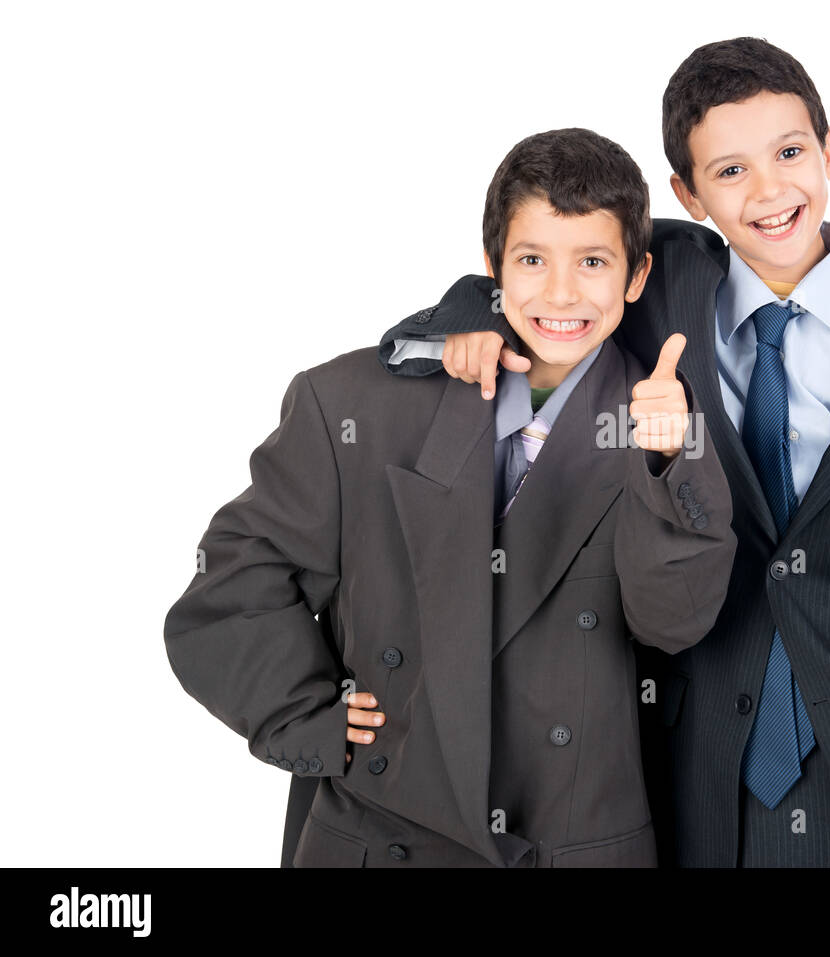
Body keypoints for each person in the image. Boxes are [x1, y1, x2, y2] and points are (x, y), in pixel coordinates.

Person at [377, 37, 830, 867]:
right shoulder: (659, 293)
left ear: (829, 152)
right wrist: (463, 323)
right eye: (729, 172)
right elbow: (545, 273)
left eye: (790, 152)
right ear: (686, 196)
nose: (769, 191)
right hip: (704, 773)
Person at [164, 127, 737, 867]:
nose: (562, 293)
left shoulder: (662, 421)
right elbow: (228, 589)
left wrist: (665, 456)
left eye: (593, 261)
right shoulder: (353, 405)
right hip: (379, 835)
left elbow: (675, 620)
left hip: (576, 844)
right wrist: (306, 716)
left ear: (636, 276)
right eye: (533, 260)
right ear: (493, 267)